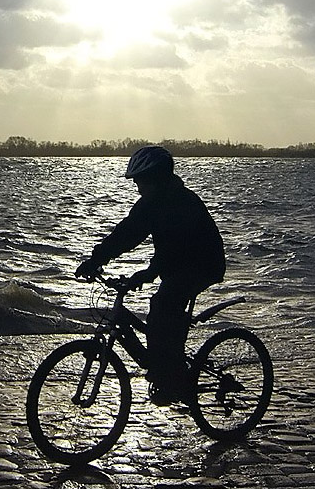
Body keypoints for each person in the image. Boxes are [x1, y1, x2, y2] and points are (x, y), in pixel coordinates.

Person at [75, 145, 226, 405]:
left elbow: (174, 250)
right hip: (175, 264)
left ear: (156, 177)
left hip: (203, 264)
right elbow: (126, 234)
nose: (137, 187)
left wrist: (145, 275)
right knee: (163, 312)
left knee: (163, 302)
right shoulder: (150, 204)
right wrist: (95, 259)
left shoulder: (182, 203)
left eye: (140, 181)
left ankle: (172, 375)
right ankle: (165, 366)